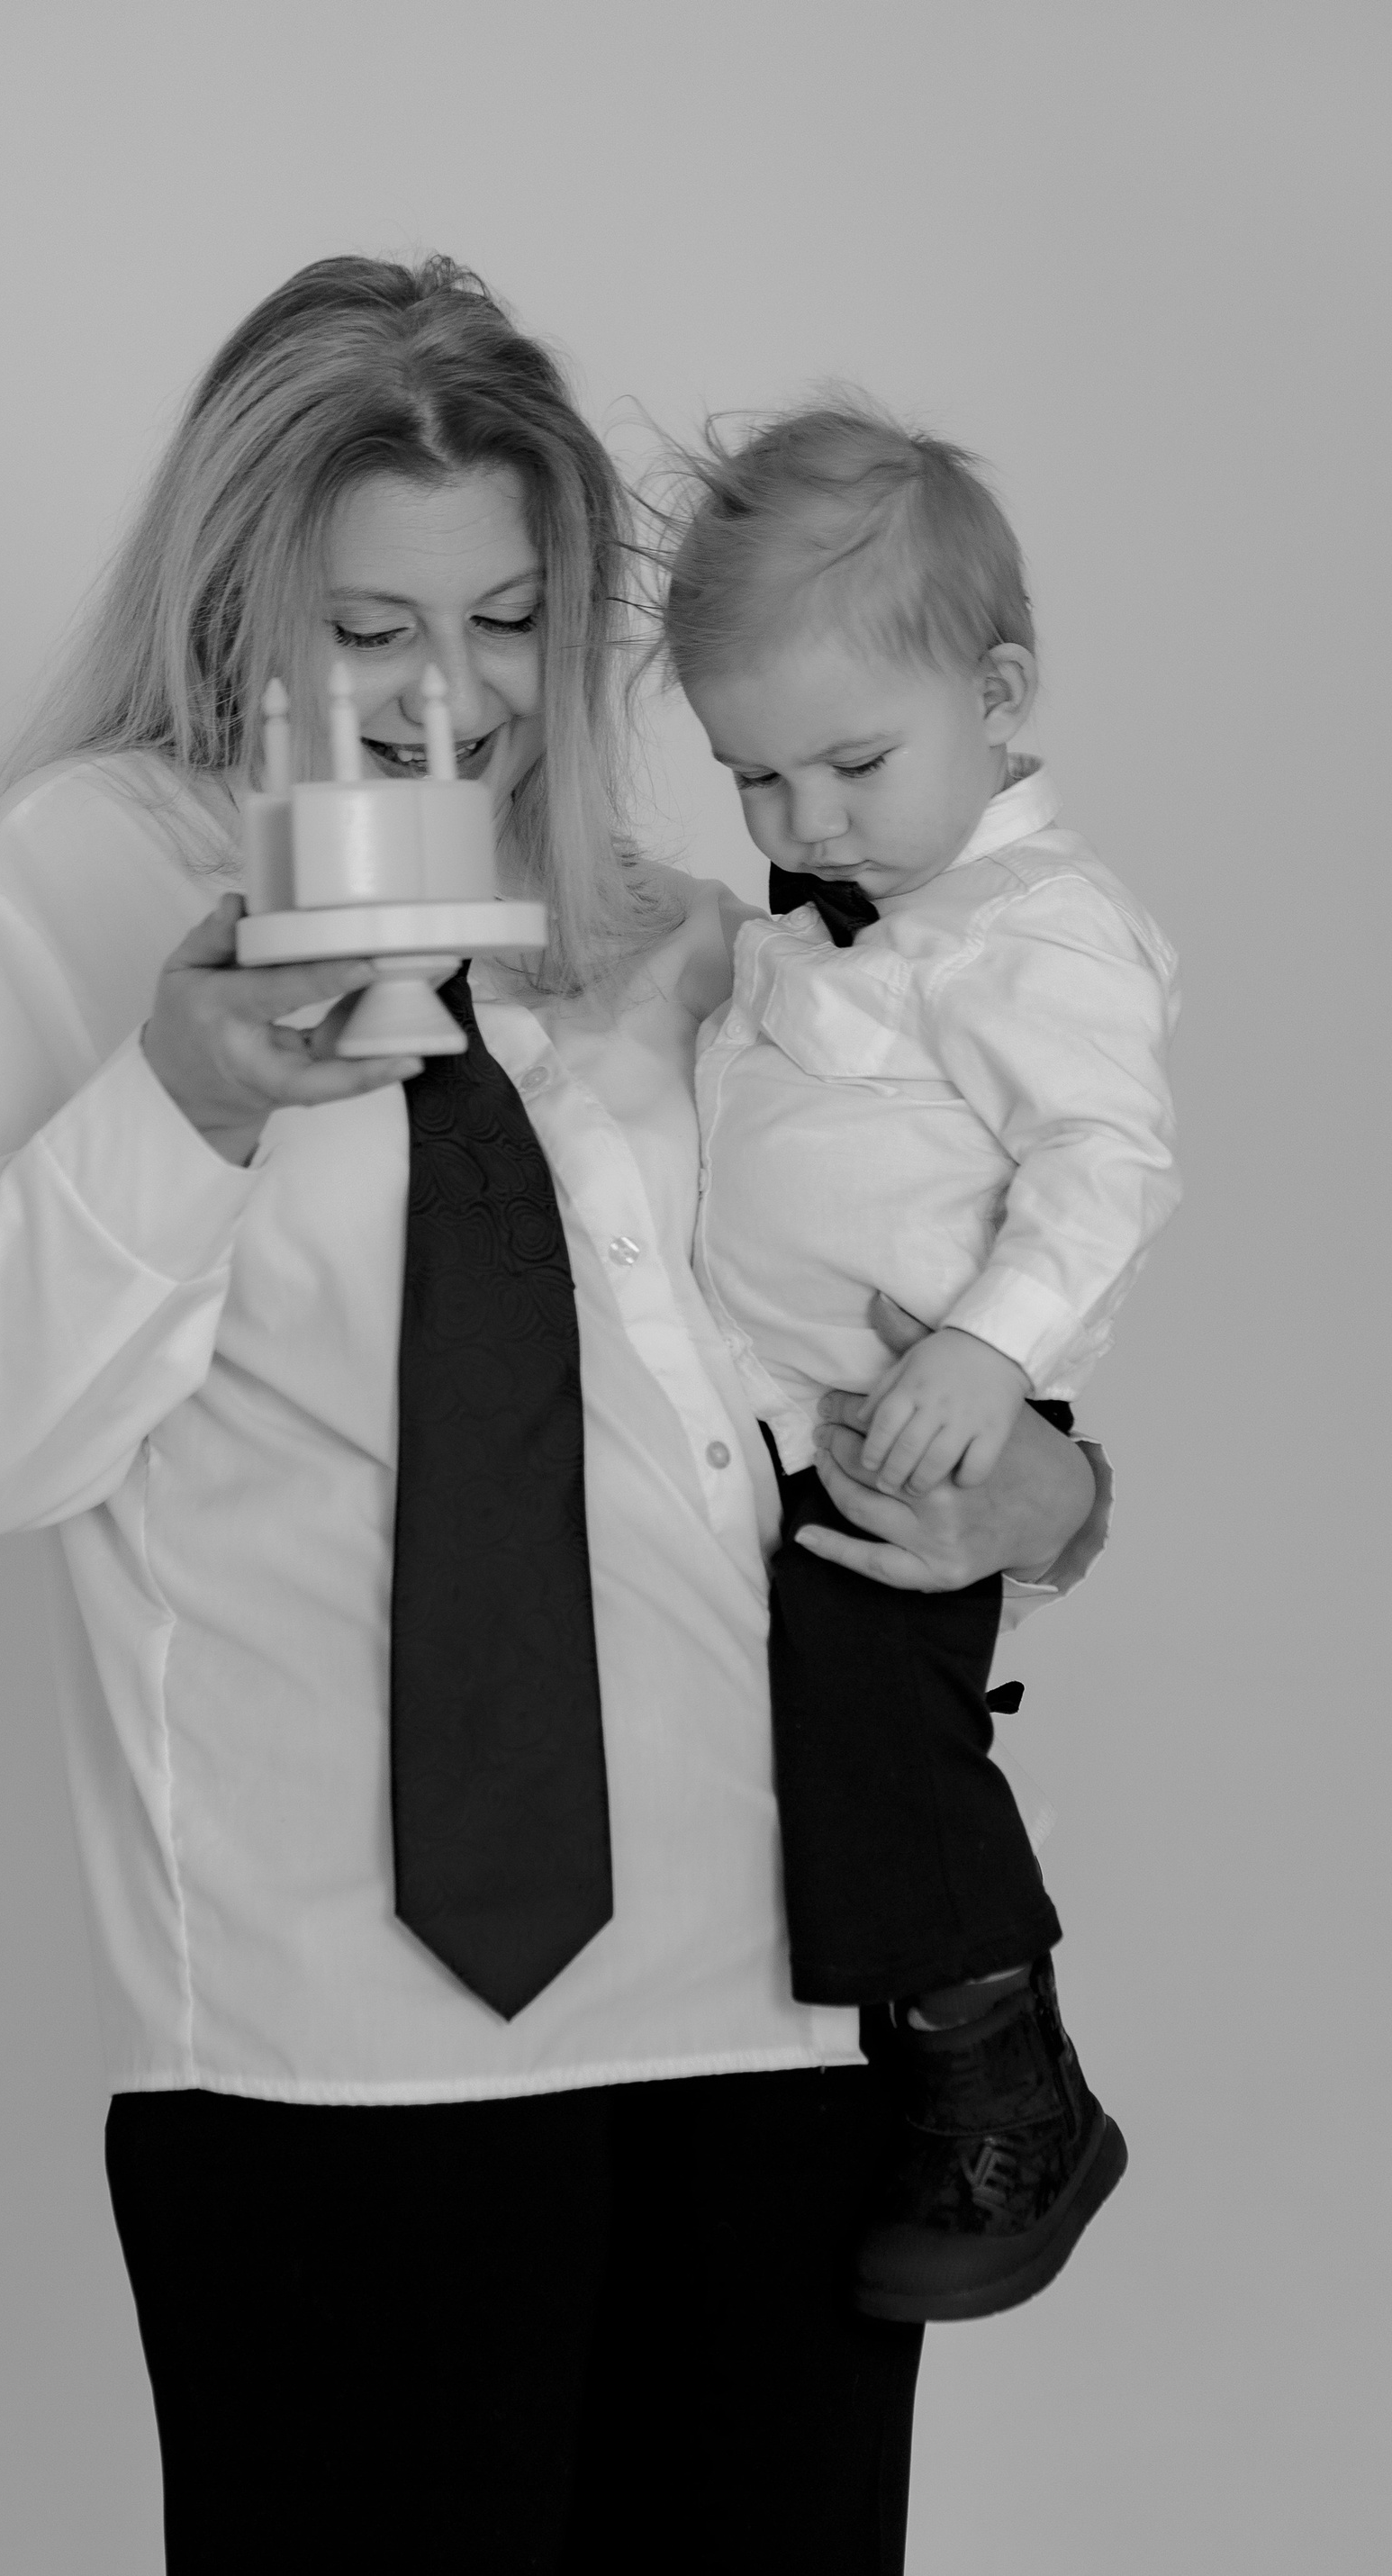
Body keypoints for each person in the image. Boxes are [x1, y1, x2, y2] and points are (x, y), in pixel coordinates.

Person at [0, 260, 1103, 2573]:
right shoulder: (95, 883)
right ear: (238, 602)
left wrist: (1055, 1491)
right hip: (336, 2043)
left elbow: (850, 1350)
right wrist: (187, 1103)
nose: (449, 694)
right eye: (371, 627)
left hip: (774, 2017)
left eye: (509, 623)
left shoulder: (675, 925)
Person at [664, 402, 1178, 2327]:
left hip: (921, 1419)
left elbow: (1107, 1165)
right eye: (754, 778)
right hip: (795, 1420)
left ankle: (1005, 2070)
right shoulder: (851, 918)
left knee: (879, 1726)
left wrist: (986, 1353)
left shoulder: (1040, 930)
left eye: (853, 764)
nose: (805, 823)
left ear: (1001, 695)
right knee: (830, 1731)